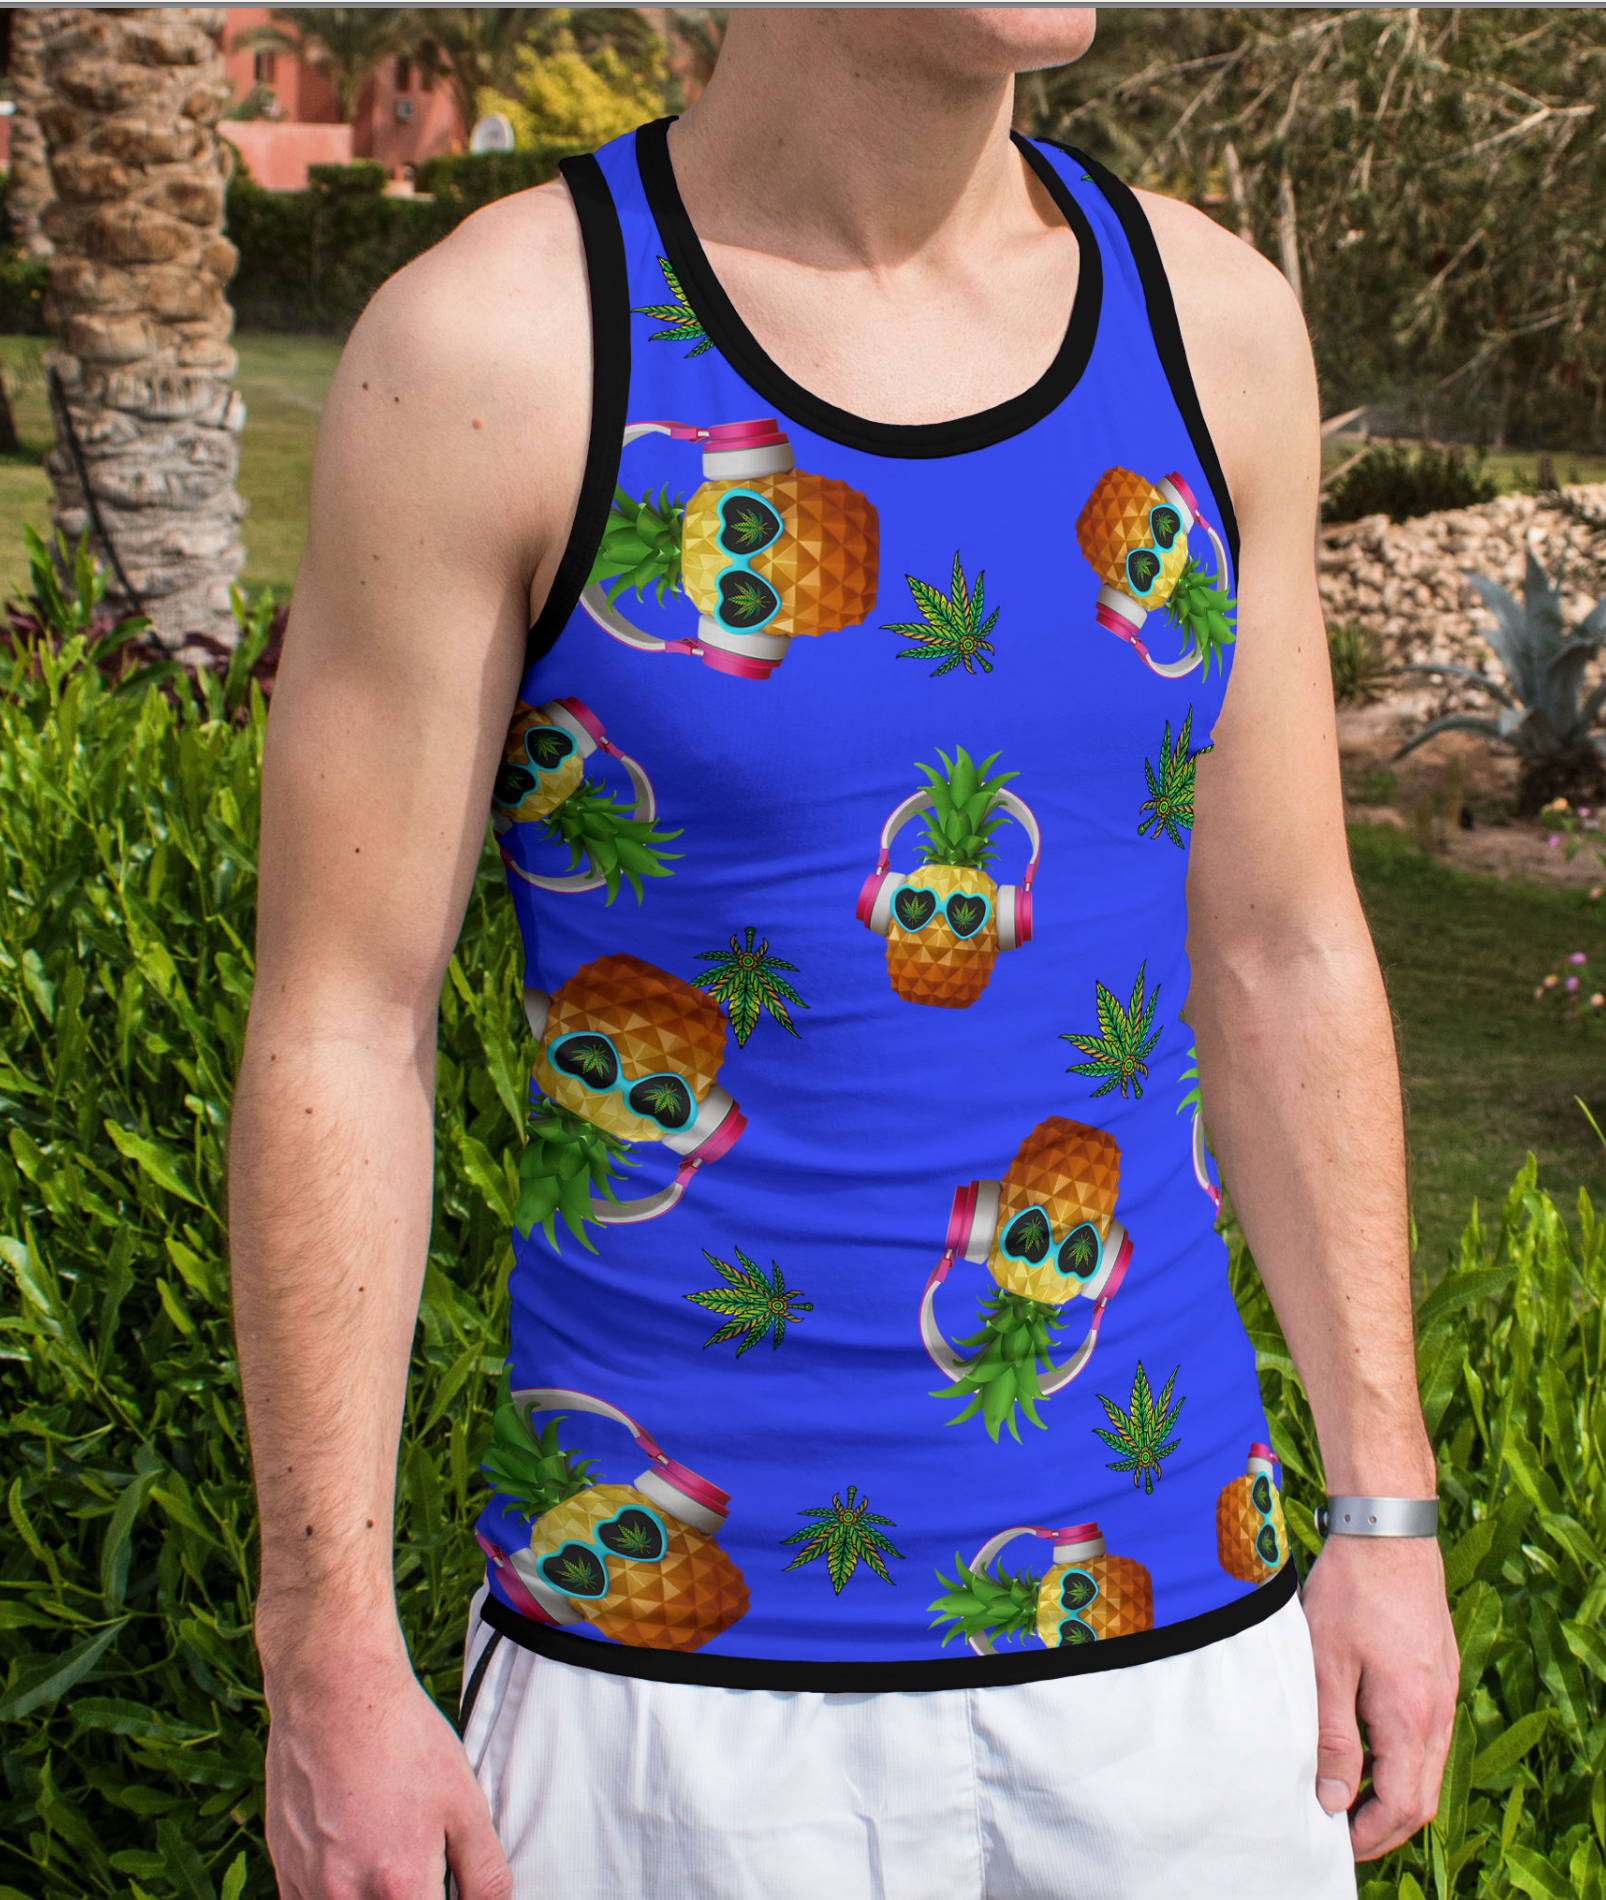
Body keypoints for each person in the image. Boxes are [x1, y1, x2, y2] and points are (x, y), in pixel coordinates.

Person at [228, 9, 1458, 1897]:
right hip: (664, 1698)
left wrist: (1383, 1511)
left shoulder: (1207, 331)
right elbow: (341, 1025)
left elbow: (1283, 946)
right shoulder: (507, 349)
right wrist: (324, 1653)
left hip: (1186, 1672)